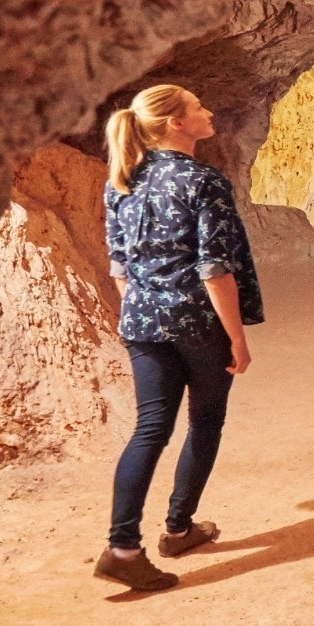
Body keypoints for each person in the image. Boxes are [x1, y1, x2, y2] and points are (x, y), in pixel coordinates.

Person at [96, 84, 262, 593]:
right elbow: (214, 269)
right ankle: (178, 528)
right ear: (175, 123)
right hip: (197, 324)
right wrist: (236, 336)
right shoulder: (203, 180)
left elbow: (119, 267)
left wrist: (144, 307)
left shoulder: (120, 180)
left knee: (149, 429)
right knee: (205, 421)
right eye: (197, 108)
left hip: (142, 322)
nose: (208, 112)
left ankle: (123, 546)